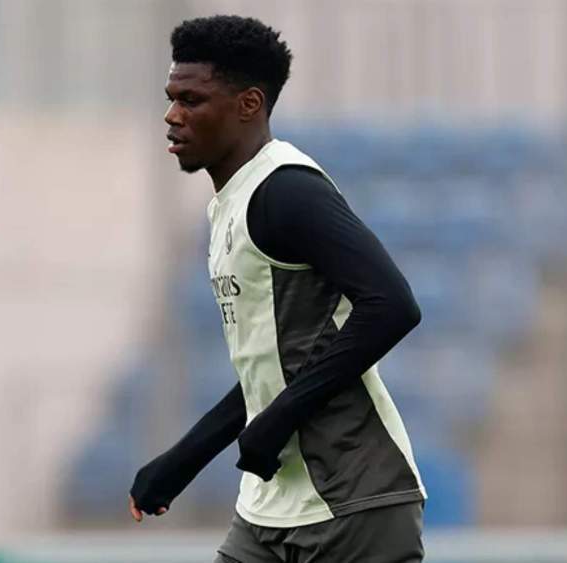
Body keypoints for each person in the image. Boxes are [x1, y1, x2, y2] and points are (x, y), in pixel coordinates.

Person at [129, 15, 427, 563]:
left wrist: (280, 419)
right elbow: (270, 372)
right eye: (171, 98)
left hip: (352, 501)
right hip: (268, 506)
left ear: (249, 104)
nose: (172, 116)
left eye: (192, 100)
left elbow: (392, 305)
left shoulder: (286, 191)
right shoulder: (229, 206)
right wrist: (183, 461)